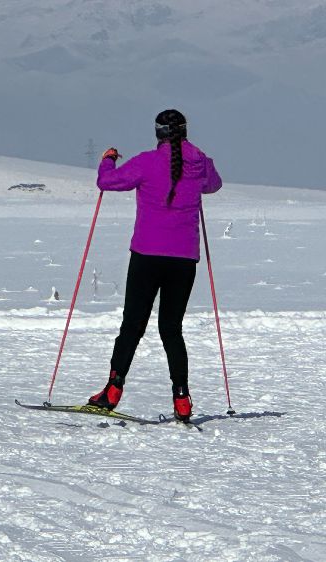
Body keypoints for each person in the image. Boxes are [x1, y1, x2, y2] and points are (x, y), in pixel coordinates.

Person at [87, 109, 223, 422]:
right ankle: (182, 399)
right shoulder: (198, 162)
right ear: (185, 132)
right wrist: (201, 158)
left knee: (132, 324)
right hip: (184, 259)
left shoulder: (146, 162)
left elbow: (106, 182)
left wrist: (108, 158)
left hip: (147, 256)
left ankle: (112, 390)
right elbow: (213, 184)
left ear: (158, 133)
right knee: (171, 329)